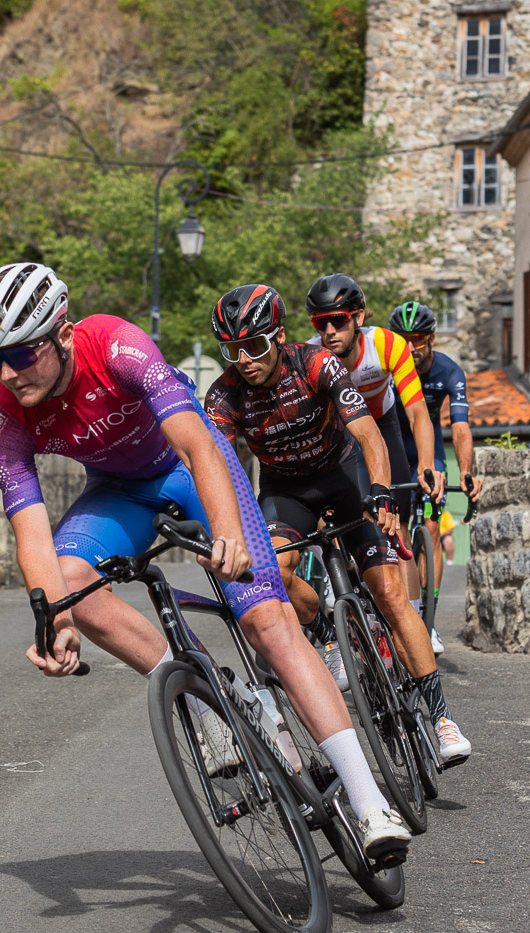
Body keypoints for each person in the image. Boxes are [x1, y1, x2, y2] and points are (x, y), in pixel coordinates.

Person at [0, 261, 411, 856]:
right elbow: (32, 533)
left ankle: (369, 802)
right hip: (119, 491)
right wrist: (56, 621)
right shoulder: (6, 419)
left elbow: (199, 444)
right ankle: (211, 691)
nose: (5, 372)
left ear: (62, 334)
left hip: (191, 467)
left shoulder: (116, 344)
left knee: (268, 624)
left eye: (20, 354)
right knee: (71, 584)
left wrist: (226, 532)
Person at [205, 283, 471, 765]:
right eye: (232, 350)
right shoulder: (224, 395)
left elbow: (369, 433)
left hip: (344, 476)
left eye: (255, 346)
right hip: (286, 492)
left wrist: (383, 494)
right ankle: (329, 630)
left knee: (390, 593)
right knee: (277, 574)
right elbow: (214, 465)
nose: (243, 359)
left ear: (278, 336)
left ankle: (440, 718)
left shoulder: (314, 363)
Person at [303, 273, 442, 607]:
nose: (329, 332)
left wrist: (424, 465)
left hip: (383, 421)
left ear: (359, 317)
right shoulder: (310, 357)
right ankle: (346, 590)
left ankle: (411, 615)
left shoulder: (387, 344)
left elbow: (418, 413)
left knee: (397, 523)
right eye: (320, 324)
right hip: (342, 431)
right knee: (342, 513)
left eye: (337, 320)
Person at [389, 301, 483, 654]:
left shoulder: (448, 371)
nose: (411, 348)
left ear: (430, 338)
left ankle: (428, 621)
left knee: (429, 528)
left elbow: (460, 428)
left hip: (432, 455)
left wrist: (468, 471)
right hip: (395, 449)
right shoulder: (387, 370)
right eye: (403, 339)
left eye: (417, 339)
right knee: (390, 527)